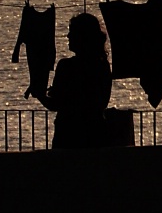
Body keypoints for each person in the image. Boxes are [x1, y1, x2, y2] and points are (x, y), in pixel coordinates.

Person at [33, 12, 112, 149]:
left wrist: (39, 93)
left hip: (68, 134)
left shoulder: (66, 66)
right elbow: (101, 102)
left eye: (72, 32)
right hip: (96, 134)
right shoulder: (103, 65)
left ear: (82, 37)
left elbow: (56, 104)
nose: (68, 36)